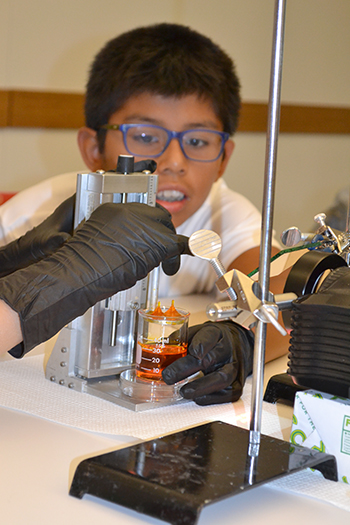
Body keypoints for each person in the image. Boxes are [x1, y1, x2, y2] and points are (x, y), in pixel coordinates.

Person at [0, 23, 287, 404]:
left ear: (223, 159)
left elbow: (283, 298)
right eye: (146, 137)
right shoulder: (36, 211)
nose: (173, 161)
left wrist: (244, 339)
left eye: (198, 141)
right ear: (93, 148)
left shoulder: (224, 215)